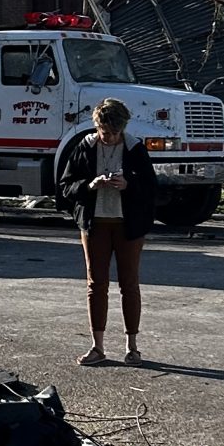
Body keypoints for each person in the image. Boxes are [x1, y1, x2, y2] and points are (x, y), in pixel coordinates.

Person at [54, 96, 156, 366]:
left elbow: (152, 189)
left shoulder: (135, 148)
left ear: (123, 128)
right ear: (96, 126)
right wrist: (90, 185)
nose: (109, 137)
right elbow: (65, 186)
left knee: (129, 284)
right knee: (96, 284)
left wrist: (128, 185)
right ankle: (97, 347)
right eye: (104, 132)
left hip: (128, 225)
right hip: (95, 223)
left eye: (114, 133)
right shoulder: (85, 146)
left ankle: (132, 347)